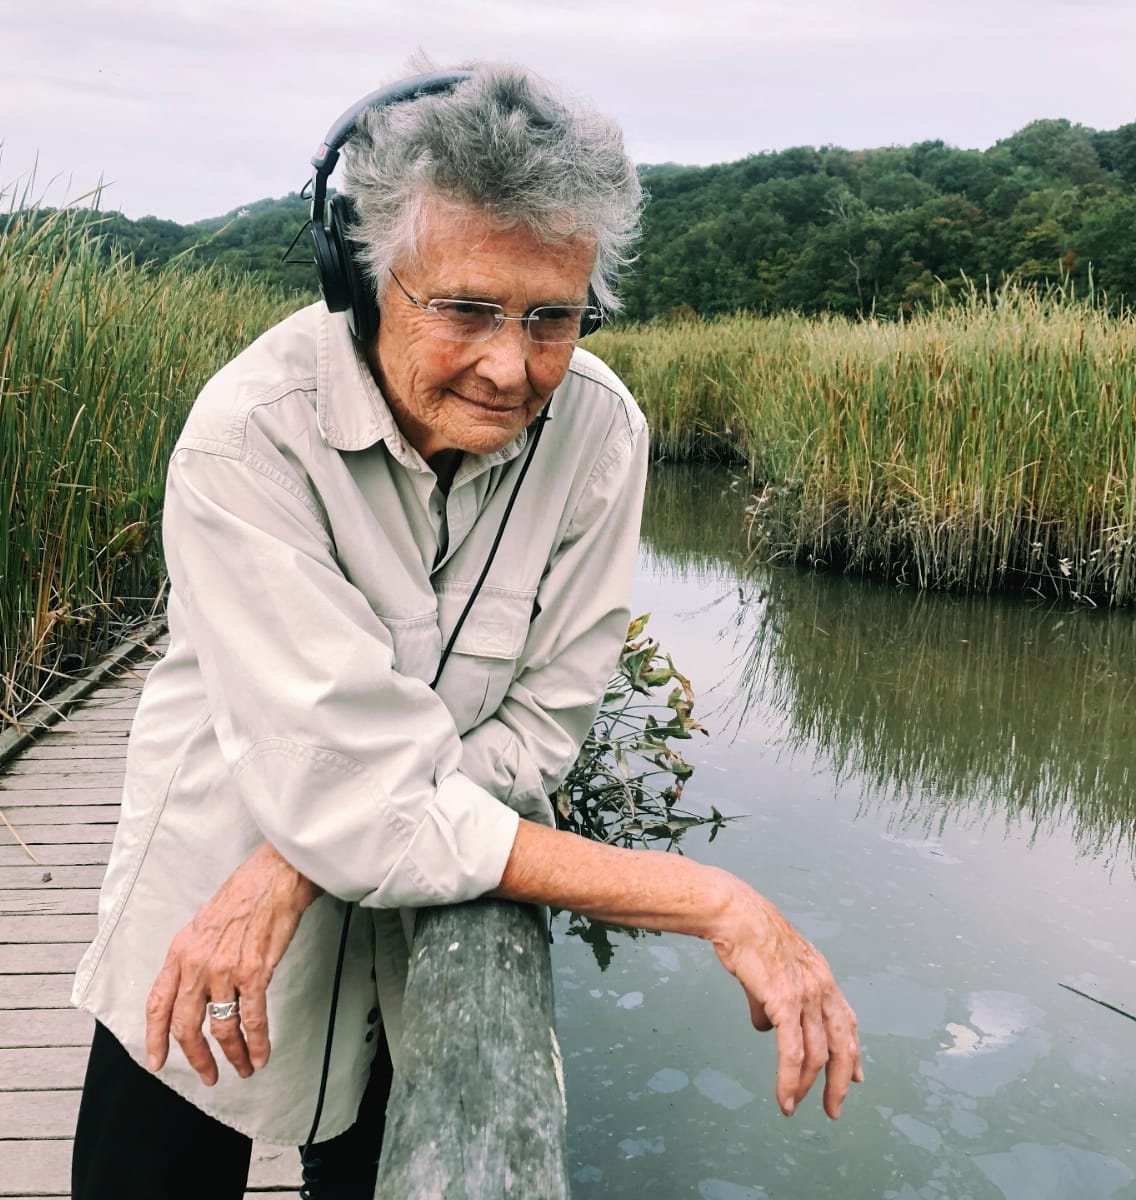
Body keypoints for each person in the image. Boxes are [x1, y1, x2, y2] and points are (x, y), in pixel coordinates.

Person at [70, 59, 861, 1200]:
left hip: (398, 946)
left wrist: (313, 848)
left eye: (554, 317)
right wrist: (713, 899)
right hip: (206, 911)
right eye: (467, 309)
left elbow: (540, 728)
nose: (512, 365)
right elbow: (357, 788)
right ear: (364, 277)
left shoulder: (603, 433)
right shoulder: (249, 436)